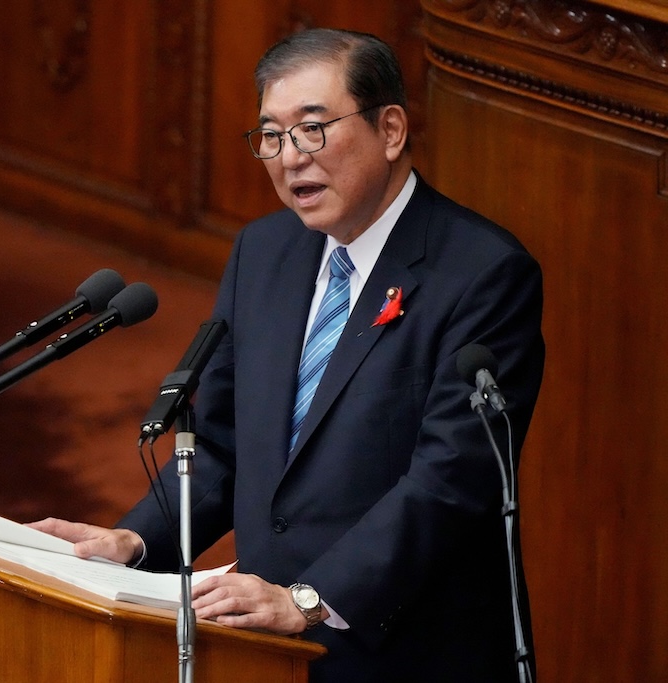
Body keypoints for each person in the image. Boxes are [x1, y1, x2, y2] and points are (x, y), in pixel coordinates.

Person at [31, 27, 544, 683]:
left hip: (404, 649)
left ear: (391, 129)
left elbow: (450, 480)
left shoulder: (483, 273)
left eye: (311, 129)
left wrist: (307, 597)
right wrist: (137, 541)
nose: (288, 157)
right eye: (270, 136)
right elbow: (221, 446)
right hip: (263, 646)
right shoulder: (264, 252)